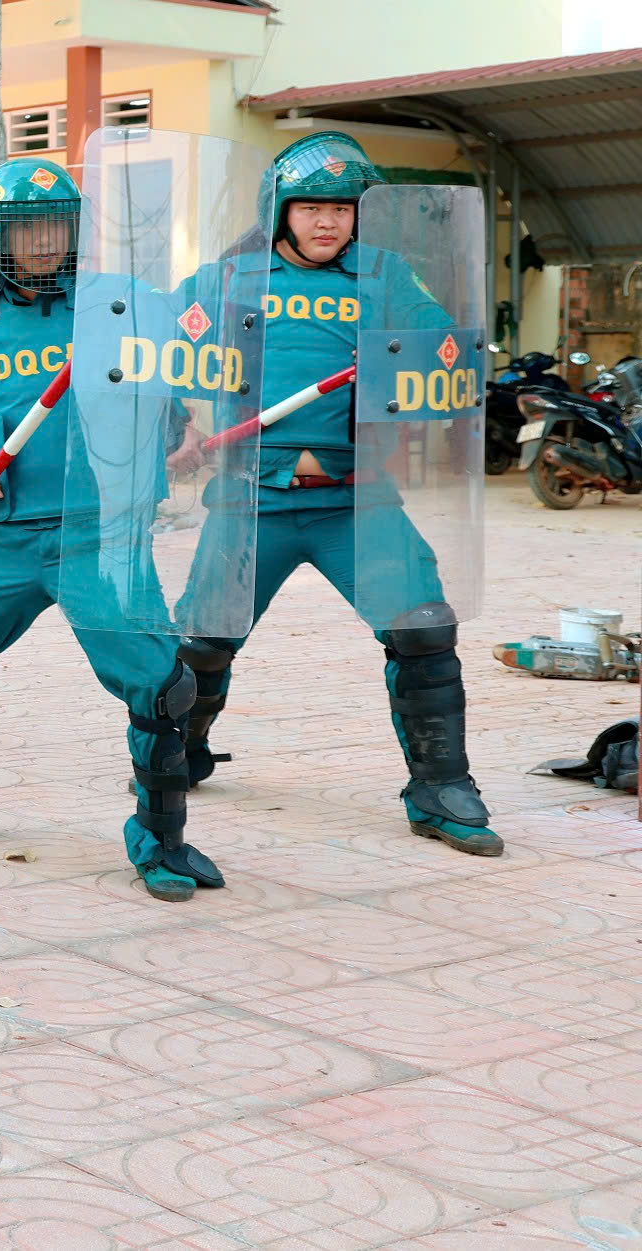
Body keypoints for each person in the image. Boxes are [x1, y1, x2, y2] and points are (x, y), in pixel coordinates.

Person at [0, 156, 225, 901]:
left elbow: (162, 396)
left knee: (161, 686)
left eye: (55, 226)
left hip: (100, 537)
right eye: (23, 227)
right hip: (9, 538)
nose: (42, 241)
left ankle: (160, 839)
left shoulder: (116, 308)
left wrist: (174, 435)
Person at [170, 132, 500, 855]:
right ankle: (179, 750)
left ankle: (441, 788)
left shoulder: (384, 275)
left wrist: (417, 361)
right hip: (250, 499)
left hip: (358, 498)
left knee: (422, 627)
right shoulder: (229, 278)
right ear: (279, 211)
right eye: (312, 207)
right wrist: (174, 428)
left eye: (344, 208)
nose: (328, 222)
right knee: (201, 643)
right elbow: (148, 352)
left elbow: (449, 354)